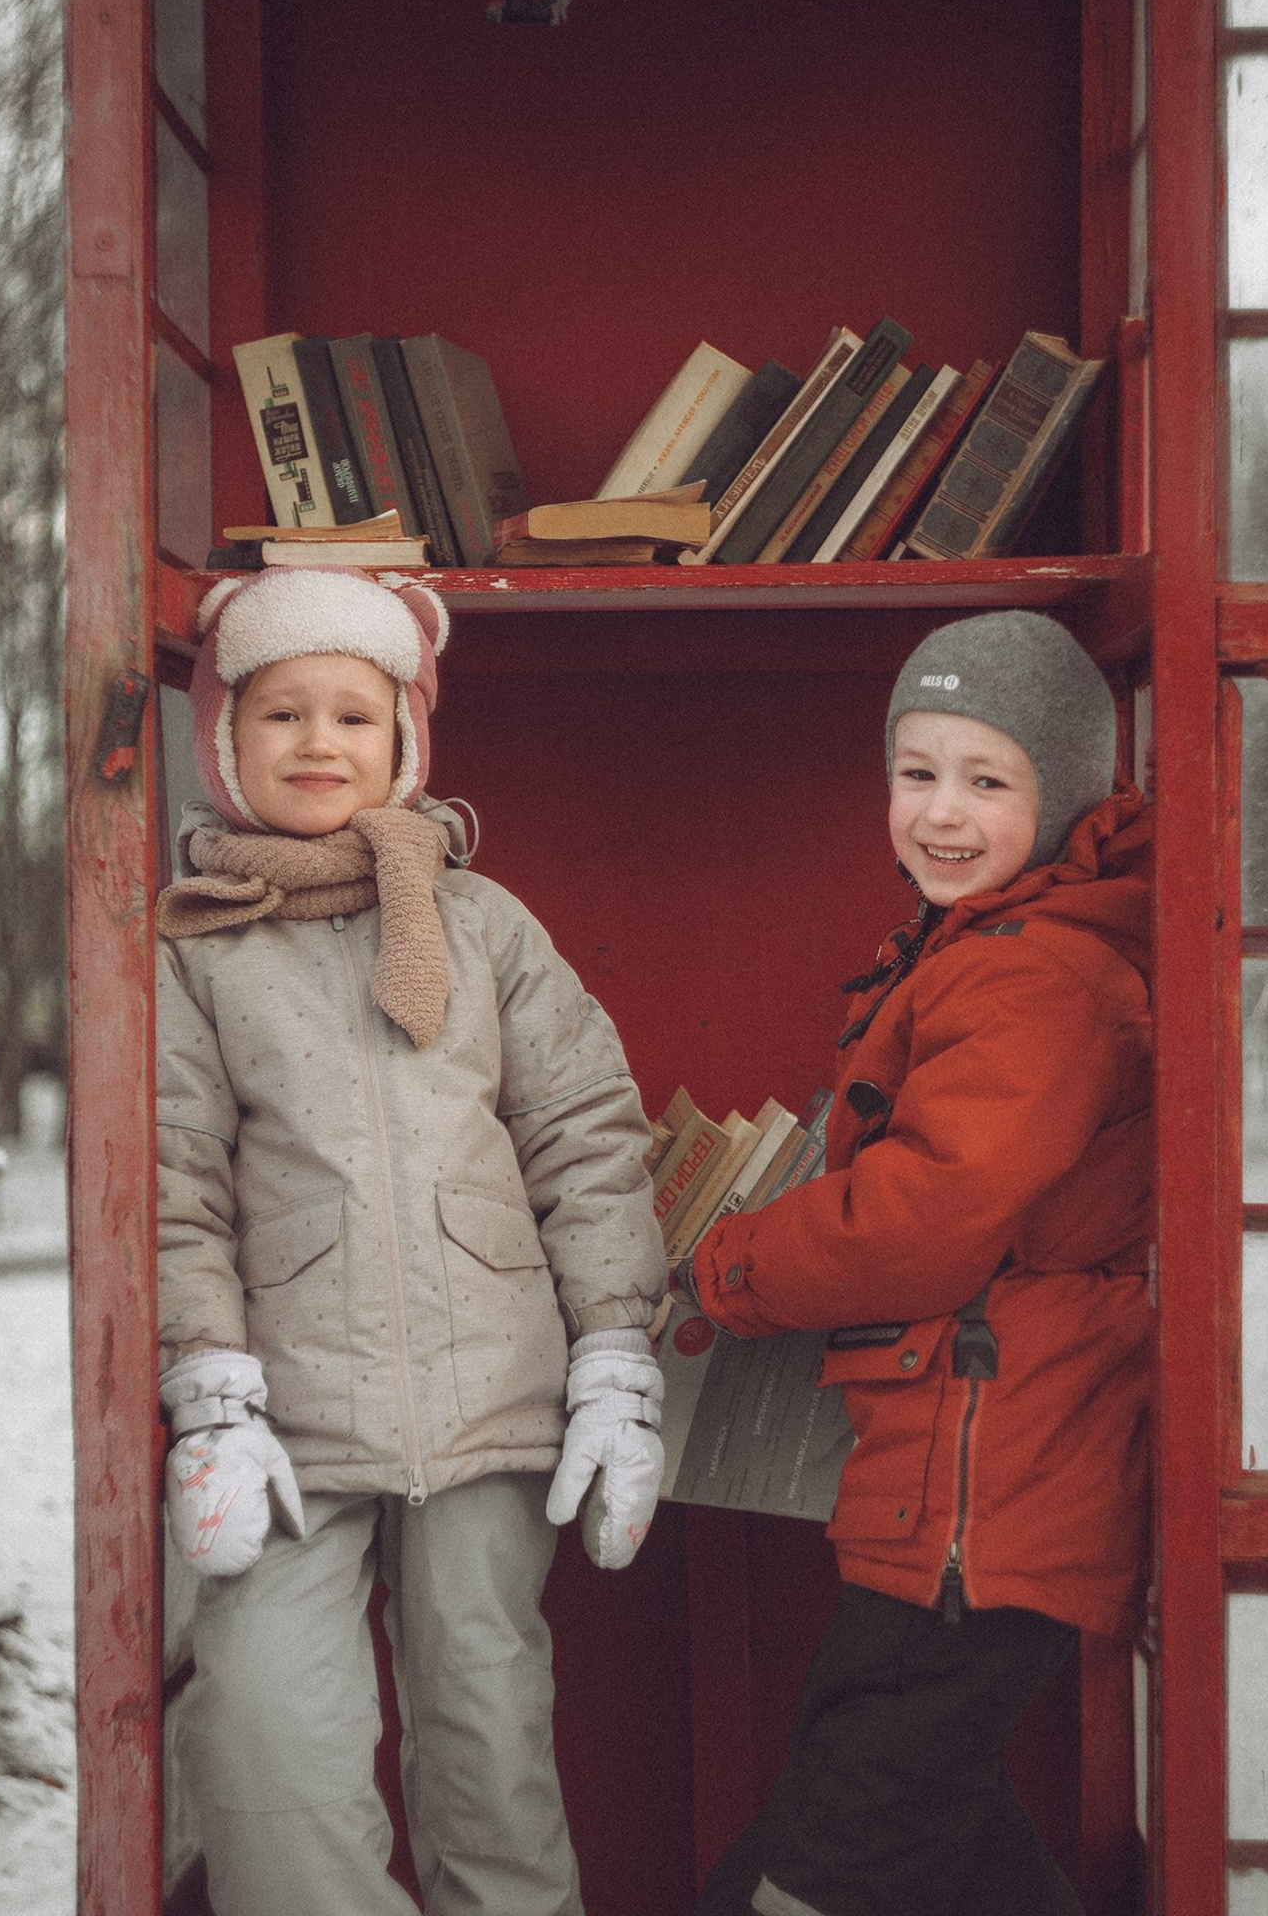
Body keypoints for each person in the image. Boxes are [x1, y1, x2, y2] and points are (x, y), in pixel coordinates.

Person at [153, 565, 668, 1916]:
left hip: (491, 1398)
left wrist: (615, 1358)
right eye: (280, 715)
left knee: (490, 1746)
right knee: (270, 1746)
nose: (319, 744)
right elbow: (171, 1179)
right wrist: (209, 1390)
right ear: (223, 740)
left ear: (404, 743)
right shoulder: (192, 952)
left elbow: (587, 1135)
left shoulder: (486, 926)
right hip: (285, 1423)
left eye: (352, 718)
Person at [688, 610, 1153, 1916]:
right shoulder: (982, 956)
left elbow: (921, 1218)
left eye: (988, 781)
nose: (942, 813)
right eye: (918, 772)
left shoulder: (1035, 987)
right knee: (937, 1828)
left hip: (987, 1499)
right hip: (955, 1490)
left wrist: (727, 1268)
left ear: (1061, 801)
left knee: (816, 1865)